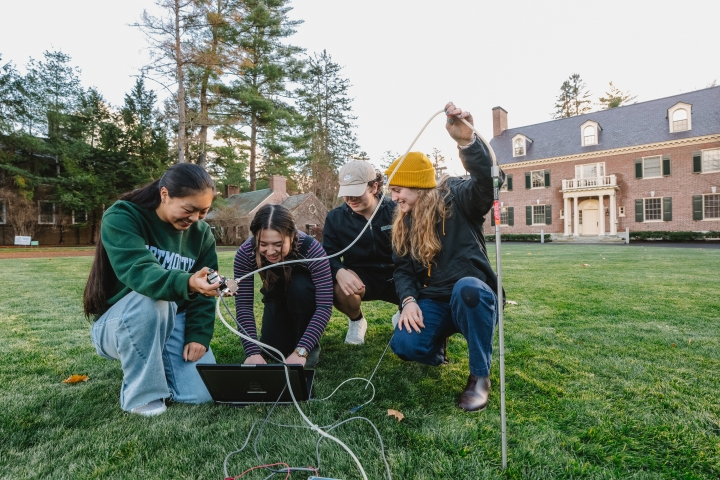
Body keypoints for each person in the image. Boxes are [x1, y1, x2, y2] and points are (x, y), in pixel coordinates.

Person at [386, 102, 504, 412]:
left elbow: (489, 182)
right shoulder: (402, 221)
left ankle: (480, 377)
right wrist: (409, 302)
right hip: (432, 300)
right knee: (405, 345)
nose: (394, 197)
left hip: (471, 297)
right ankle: (435, 345)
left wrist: (467, 141)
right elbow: (402, 271)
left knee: (468, 288)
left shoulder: (456, 196)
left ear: (417, 183)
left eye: (398, 189)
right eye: (392, 191)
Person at [84, 163, 222, 417]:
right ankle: (142, 395)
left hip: (172, 321)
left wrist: (198, 335)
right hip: (120, 323)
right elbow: (141, 273)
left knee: (200, 395)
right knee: (155, 300)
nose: (194, 219)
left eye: (203, 212)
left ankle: (158, 367)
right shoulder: (123, 216)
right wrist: (189, 282)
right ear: (165, 194)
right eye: (189, 210)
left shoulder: (201, 234)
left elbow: (206, 289)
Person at [234, 204, 332, 367]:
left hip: (303, 296)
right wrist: (252, 352)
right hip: (275, 296)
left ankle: (309, 344)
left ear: (292, 236)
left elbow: (324, 306)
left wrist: (302, 350)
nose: (270, 251)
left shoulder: (312, 250)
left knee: (300, 288)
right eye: (263, 244)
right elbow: (243, 305)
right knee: (274, 349)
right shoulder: (246, 254)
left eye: (278, 244)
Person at [322, 160, 399, 344]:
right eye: (345, 193)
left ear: (374, 187)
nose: (350, 199)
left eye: (356, 192)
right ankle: (357, 321)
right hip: (360, 278)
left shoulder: (397, 210)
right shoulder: (335, 218)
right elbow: (327, 254)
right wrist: (339, 271)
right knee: (337, 287)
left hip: (397, 274)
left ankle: (403, 311)